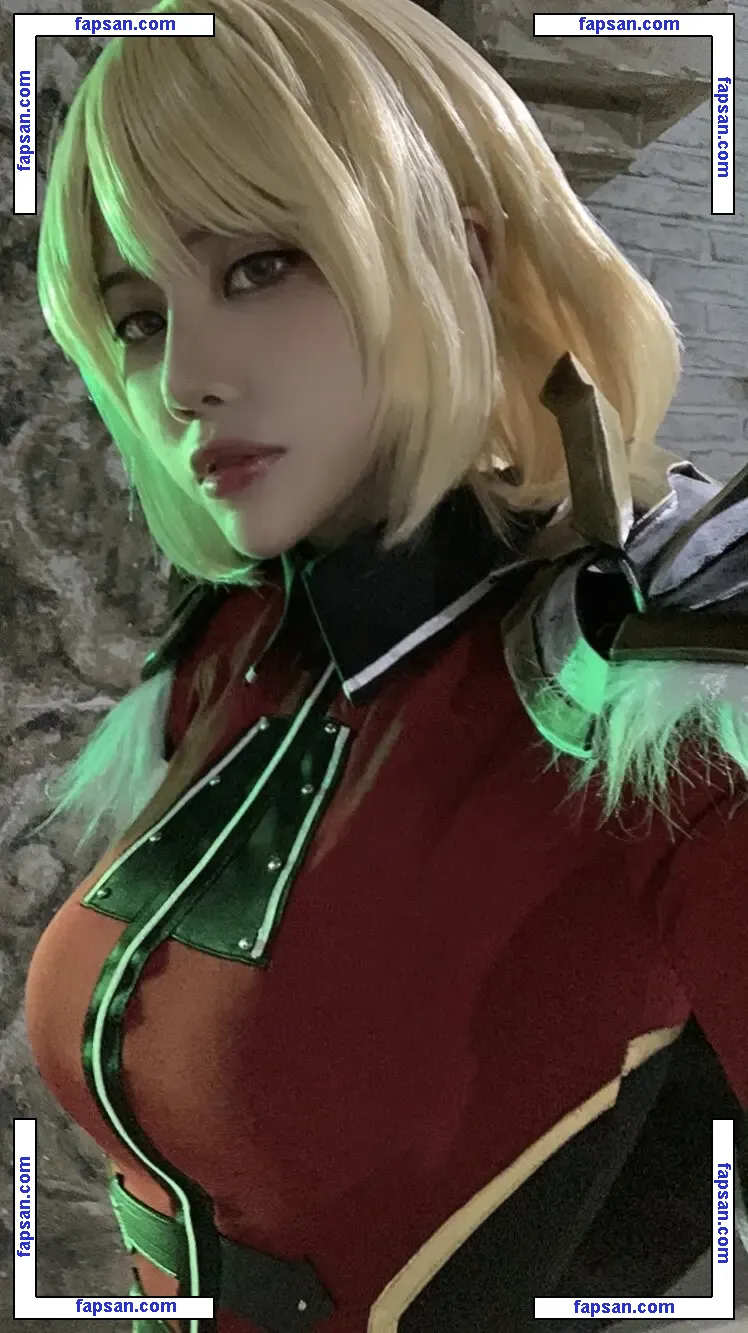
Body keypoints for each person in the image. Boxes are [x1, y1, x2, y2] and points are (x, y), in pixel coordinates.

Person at [25, 0, 748, 1330]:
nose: (184, 379)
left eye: (260, 267)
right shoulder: (236, 650)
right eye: (137, 319)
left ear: (456, 255)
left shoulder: (656, 701)